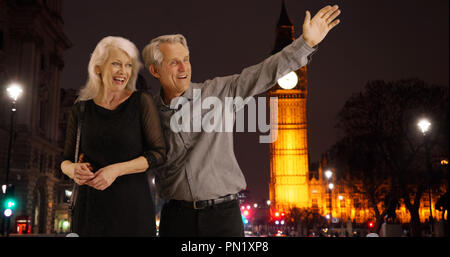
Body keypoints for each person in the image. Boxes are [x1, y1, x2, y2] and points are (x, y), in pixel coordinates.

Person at [142, 5, 341, 237]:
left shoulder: (218, 92)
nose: (183, 67)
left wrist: (305, 44)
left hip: (223, 218)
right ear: (155, 71)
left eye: (186, 59)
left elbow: (262, 73)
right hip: (177, 218)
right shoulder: (145, 112)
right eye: (173, 62)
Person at [61, 36, 166, 236]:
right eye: (116, 64)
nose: (123, 71)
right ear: (99, 67)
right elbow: (65, 160)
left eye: (128, 65)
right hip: (89, 210)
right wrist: (73, 169)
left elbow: (159, 153)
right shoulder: (80, 109)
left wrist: (116, 170)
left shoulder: (142, 102)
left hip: (133, 211)